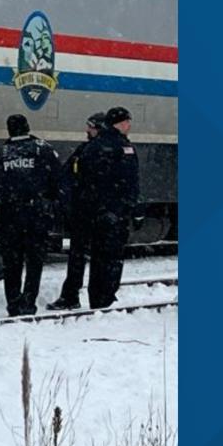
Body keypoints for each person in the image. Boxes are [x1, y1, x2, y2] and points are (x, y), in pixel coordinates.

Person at [0, 114, 61, 316]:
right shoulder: (43, 149)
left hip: (10, 217)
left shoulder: (2, 154)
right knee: (34, 262)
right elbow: (57, 181)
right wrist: (52, 208)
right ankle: (28, 302)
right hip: (37, 215)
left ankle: (13, 303)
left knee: (12, 264)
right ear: (28, 127)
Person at [79, 106, 141, 309]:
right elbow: (131, 181)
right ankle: (106, 295)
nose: (129, 126)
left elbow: (84, 179)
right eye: (127, 122)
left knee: (97, 257)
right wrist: (130, 208)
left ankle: (95, 296)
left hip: (94, 211)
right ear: (119, 123)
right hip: (115, 212)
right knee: (113, 258)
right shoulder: (125, 148)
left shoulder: (92, 146)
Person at [47, 112, 107, 311]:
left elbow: (69, 176)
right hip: (96, 212)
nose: (86, 130)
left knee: (79, 256)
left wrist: (68, 201)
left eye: (90, 126)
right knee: (96, 258)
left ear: (98, 128)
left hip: (85, 211)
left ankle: (73, 295)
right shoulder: (105, 150)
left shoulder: (88, 150)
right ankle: (98, 299)